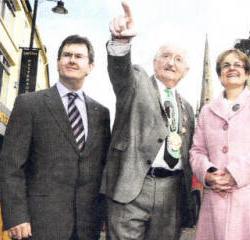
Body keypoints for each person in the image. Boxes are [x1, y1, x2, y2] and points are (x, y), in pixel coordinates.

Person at [0, 35, 111, 240]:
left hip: (87, 226)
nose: (72, 60)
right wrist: (16, 216)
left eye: (79, 56)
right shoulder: (29, 104)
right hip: (38, 224)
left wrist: (103, 213)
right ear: (58, 62)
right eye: (66, 55)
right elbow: (11, 165)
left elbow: (103, 168)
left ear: (90, 66)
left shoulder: (101, 113)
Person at [100, 2, 195, 240]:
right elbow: (119, 69)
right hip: (131, 189)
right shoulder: (136, 82)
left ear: (185, 70)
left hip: (172, 194)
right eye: (165, 56)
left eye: (178, 60)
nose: (171, 63)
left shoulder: (188, 109)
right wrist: (121, 41)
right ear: (155, 62)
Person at [189, 48, 250, 240]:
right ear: (219, 75)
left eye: (238, 64)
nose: (232, 68)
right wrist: (208, 174)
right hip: (216, 199)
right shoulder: (206, 111)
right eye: (226, 65)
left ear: (247, 73)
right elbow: (197, 151)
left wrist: (235, 173)